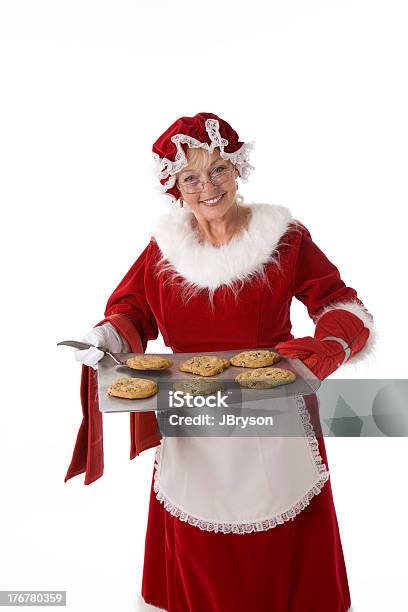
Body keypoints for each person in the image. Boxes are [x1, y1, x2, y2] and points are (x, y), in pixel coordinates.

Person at [68, 112, 375, 611]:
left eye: (218, 170)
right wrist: (105, 337)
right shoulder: (163, 249)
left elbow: (338, 302)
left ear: (238, 170)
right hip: (192, 416)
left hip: (273, 410)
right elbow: (133, 310)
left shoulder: (285, 237)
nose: (207, 187)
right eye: (191, 177)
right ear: (174, 186)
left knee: (278, 538)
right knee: (198, 538)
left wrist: (328, 345)